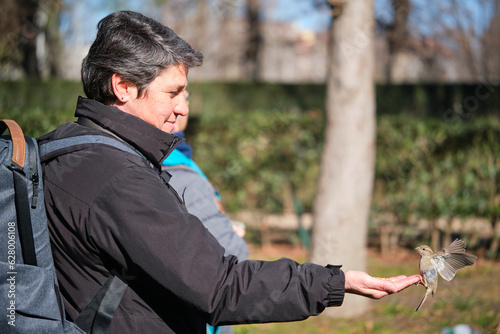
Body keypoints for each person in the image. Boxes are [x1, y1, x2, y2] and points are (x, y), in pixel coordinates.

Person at [39, 10, 420, 334]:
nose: (182, 109)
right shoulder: (119, 178)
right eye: (173, 93)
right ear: (122, 87)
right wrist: (335, 282)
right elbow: (219, 287)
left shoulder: (63, 148)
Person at [163, 96, 249, 334]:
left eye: (186, 96)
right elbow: (234, 257)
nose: (182, 108)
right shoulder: (175, 168)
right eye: (172, 94)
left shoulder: (179, 158)